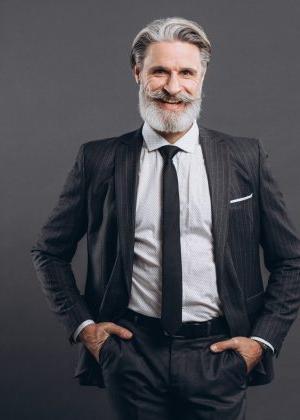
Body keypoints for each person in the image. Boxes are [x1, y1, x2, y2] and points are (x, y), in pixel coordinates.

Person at [31, 17, 300, 420]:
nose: (173, 87)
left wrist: (260, 342)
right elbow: (48, 252)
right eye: (160, 71)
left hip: (219, 356)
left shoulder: (244, 156)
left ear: (202, 76)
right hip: (131, 356)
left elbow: (291, 261)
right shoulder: (99, 159)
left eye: (186, 72)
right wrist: (86, 329)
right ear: (138, 73)